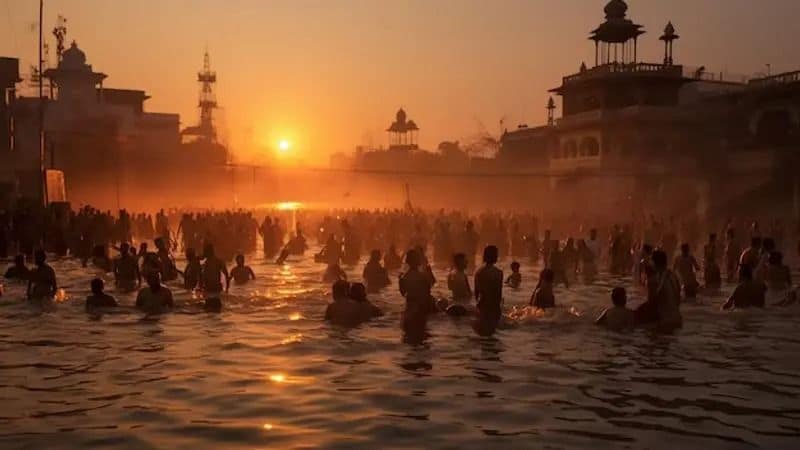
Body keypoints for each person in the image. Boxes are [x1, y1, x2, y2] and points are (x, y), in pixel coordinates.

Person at [399, 249, 435, 326]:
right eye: (418, 257)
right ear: (415, 260)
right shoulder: (422, 276)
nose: (420, 259)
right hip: (420, 310)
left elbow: (403, 293)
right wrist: (429, 272)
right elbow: (429, 290)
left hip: (409, 310)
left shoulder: (404, 276)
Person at [474, 245, 504, 328]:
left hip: (482, 306)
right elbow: (498, 293)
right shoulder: (498, 273)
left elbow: (476, 293)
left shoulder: (479, 272)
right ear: (495, 256)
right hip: (493, 307)